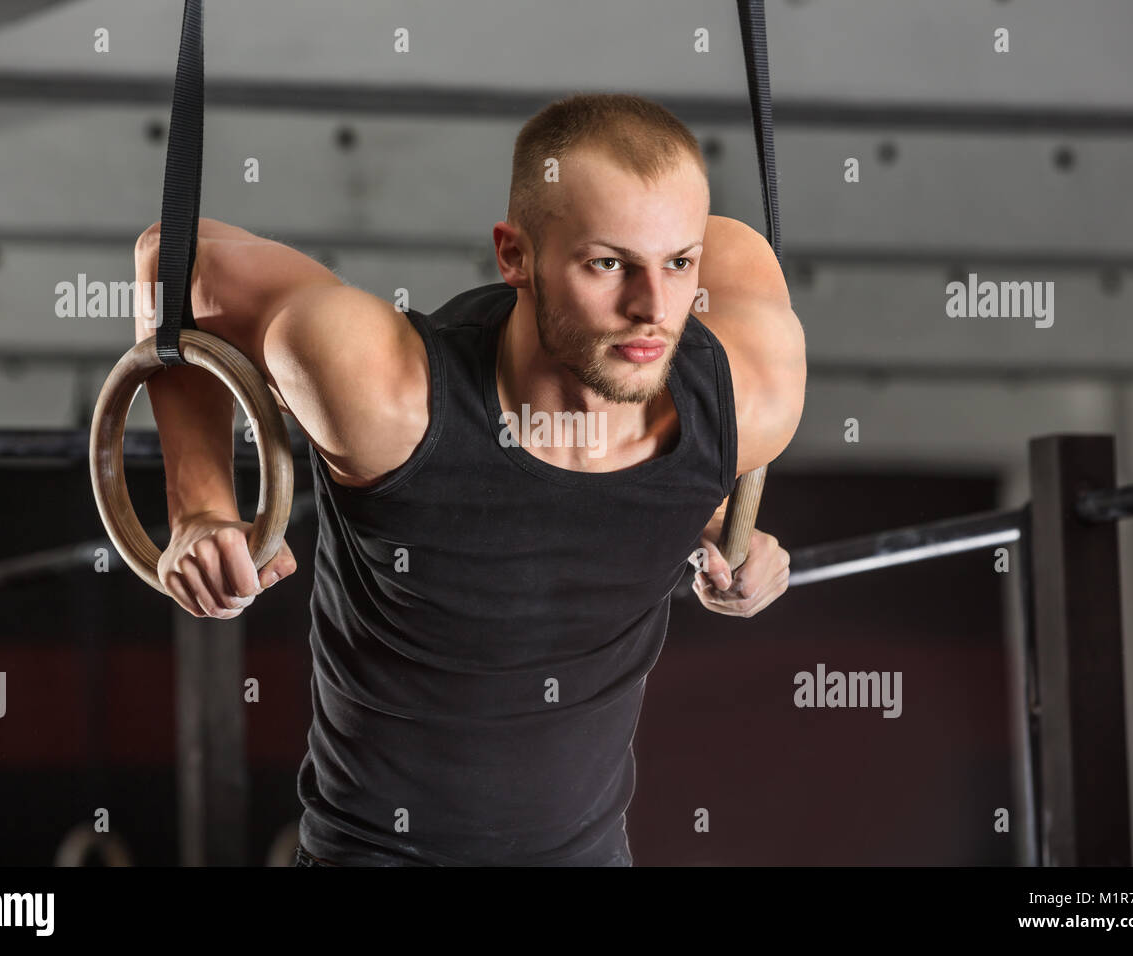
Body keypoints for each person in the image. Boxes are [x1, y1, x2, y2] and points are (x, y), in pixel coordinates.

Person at [133, 92, 806, 866]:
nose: (652, 310)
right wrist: (201, 507)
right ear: (514, 255)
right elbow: (174, 260)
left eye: (678, 263)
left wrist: (713, 513)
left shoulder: (750, 397)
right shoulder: (383, 397)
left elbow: (728, 248)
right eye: (608, 263)